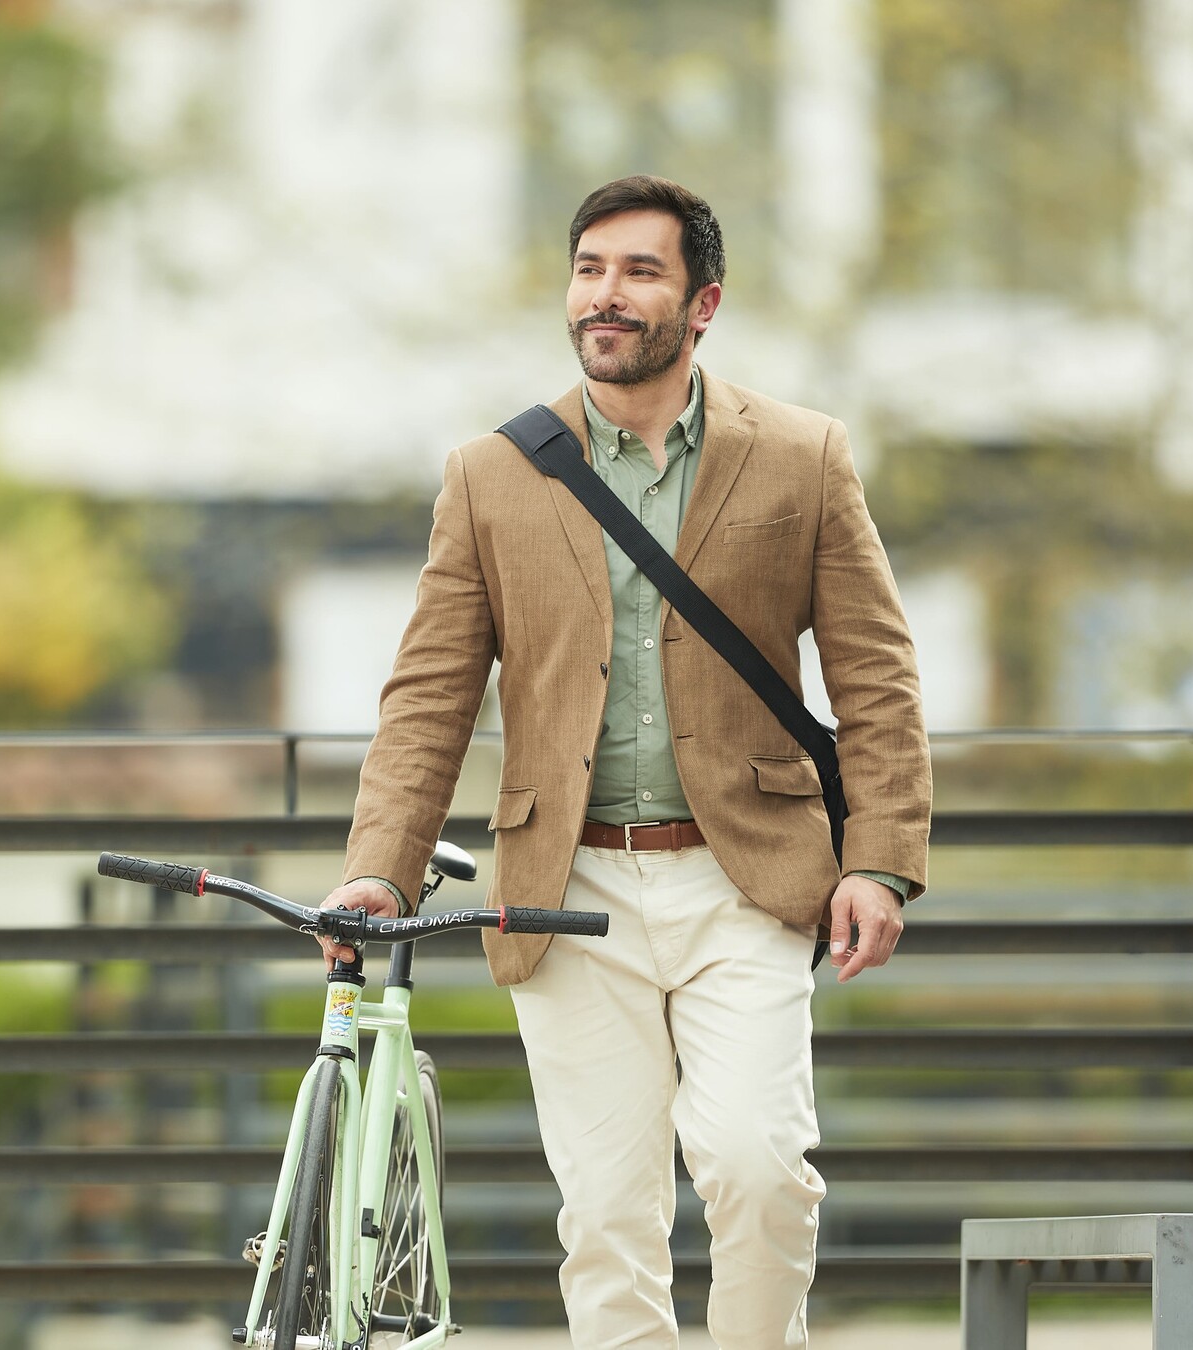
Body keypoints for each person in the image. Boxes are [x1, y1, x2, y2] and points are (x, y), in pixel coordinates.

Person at [318, 175, 931, 1348]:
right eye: (590, 268)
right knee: (606, 1217)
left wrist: (883, 861)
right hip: (564, 887)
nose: (607, 295)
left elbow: (878, 676)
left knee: (760, 1174)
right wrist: (380, 871)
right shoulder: (489, 475)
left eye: (640, 272)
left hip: (744, 877)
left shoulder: (803, 457)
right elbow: (428, 699)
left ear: (703, 304)